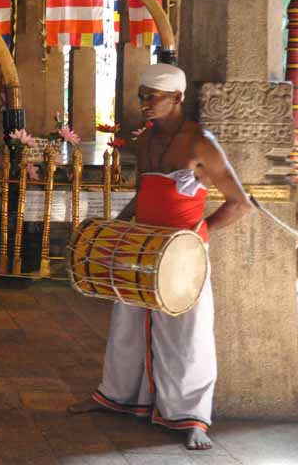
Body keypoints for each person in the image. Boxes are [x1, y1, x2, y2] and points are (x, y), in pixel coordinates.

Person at [68, 63, 252, 451]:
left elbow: (239, 204)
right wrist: (115, 230)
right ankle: (115, 397)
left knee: (187, 334)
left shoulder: (201, 142)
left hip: (183, 257)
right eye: (142, 96)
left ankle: (193, 419)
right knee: (127, 327)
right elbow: (143, 193)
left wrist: (197, 237)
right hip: (141, 249)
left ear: (178, 98)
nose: (145, 103)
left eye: (154, 97)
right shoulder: (146, 140)